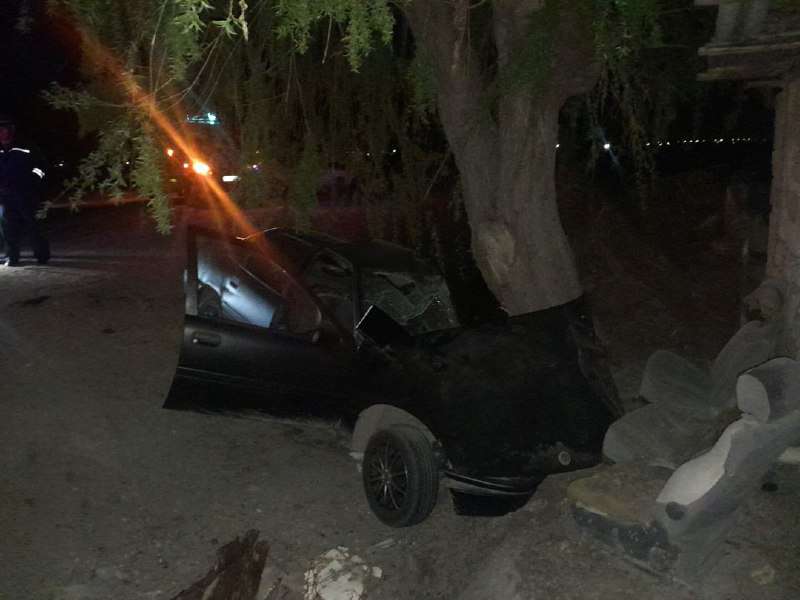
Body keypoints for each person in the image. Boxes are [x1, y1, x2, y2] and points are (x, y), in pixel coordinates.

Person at [0, 114, 50, 266]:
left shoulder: (26, 146)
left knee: (34, 225)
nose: (1, 132)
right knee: (9, 228)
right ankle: (12, 257)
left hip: (27, 194)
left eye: (4, 128)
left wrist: (32, 181)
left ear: (11, 130)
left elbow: (42, 166)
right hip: (6, 196)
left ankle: (41, 255)